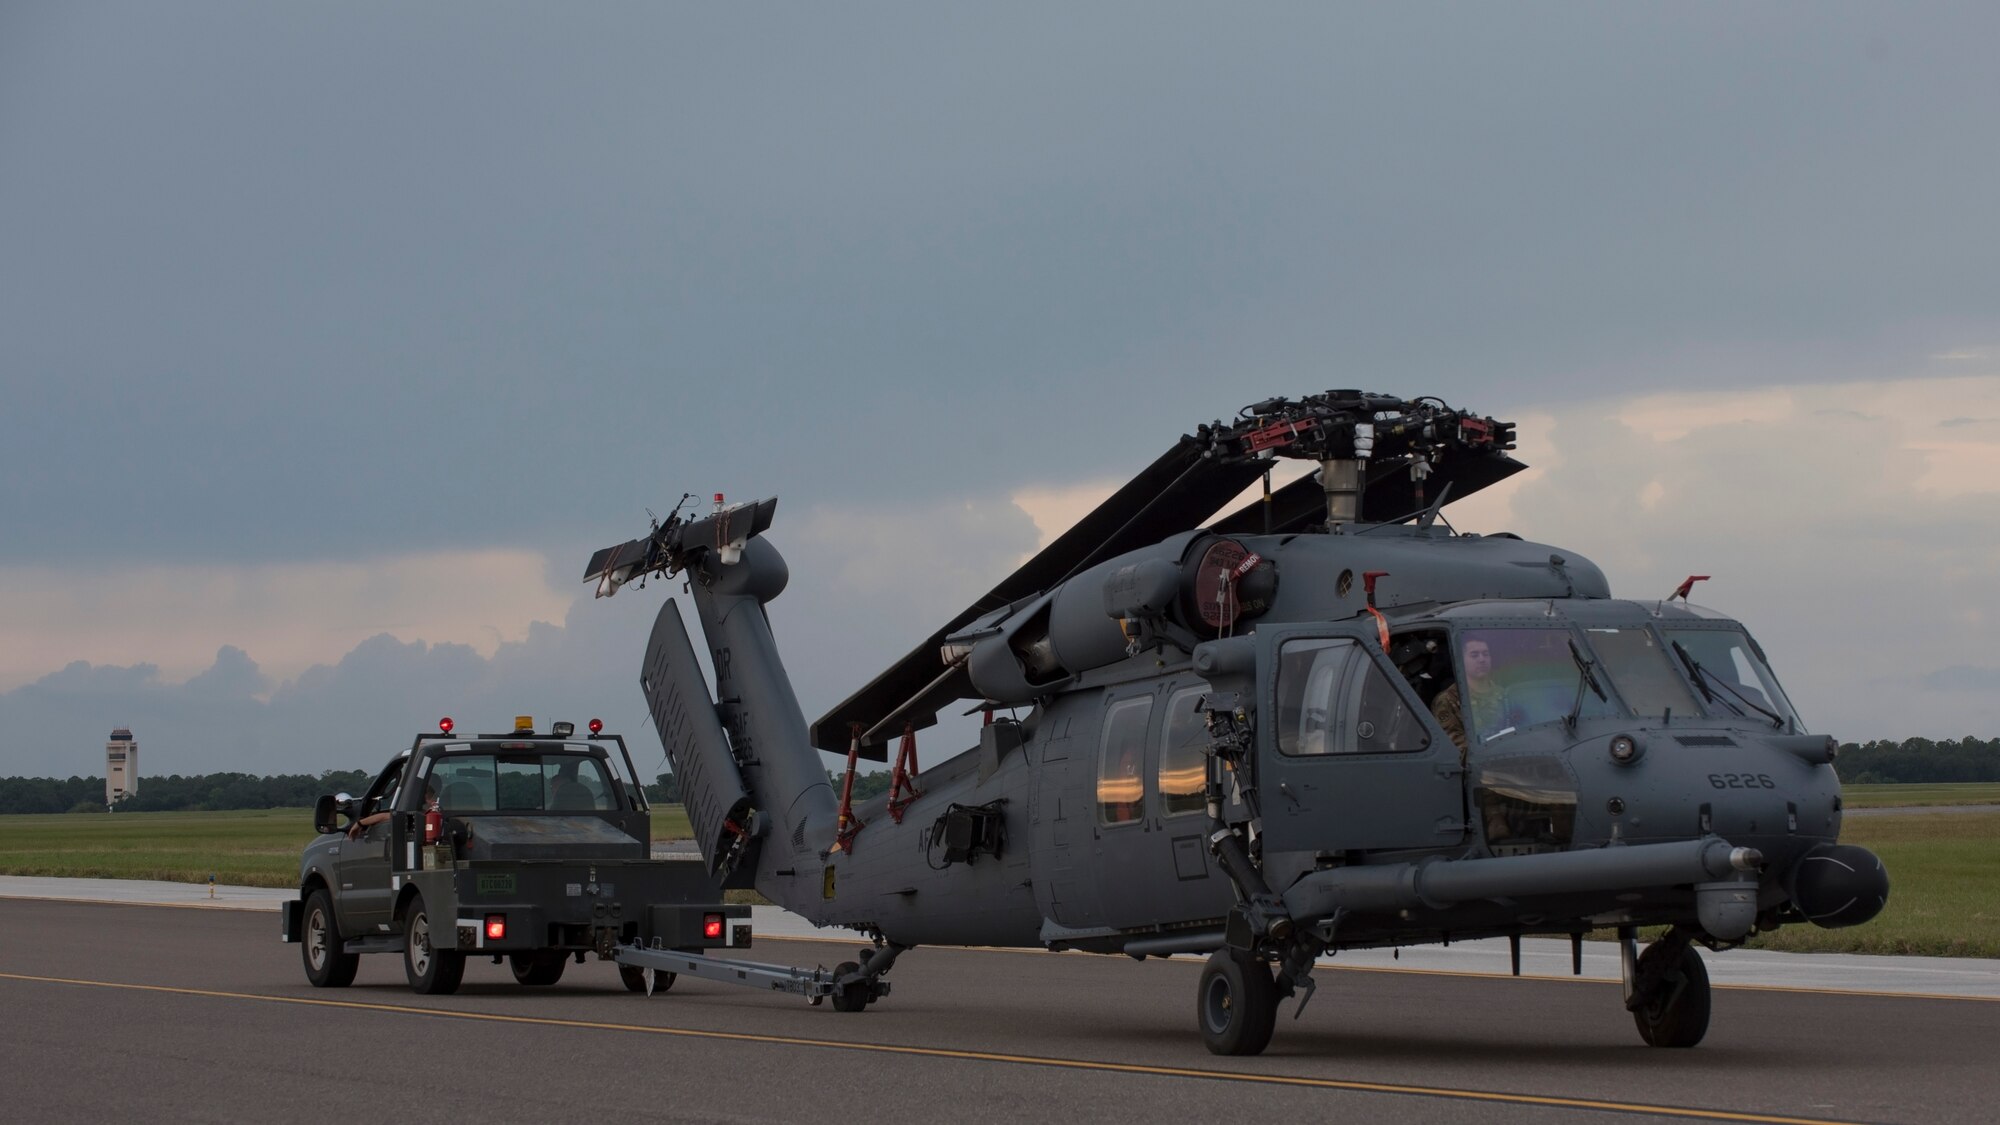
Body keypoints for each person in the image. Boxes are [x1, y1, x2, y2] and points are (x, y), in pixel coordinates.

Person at [347, 779, 437, 839]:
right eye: (430, 798)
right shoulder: (422, 814)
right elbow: (388, 816)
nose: (432, 802)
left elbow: (385, 817)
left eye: (431, 798)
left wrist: (359, 823)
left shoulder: (418, 815)